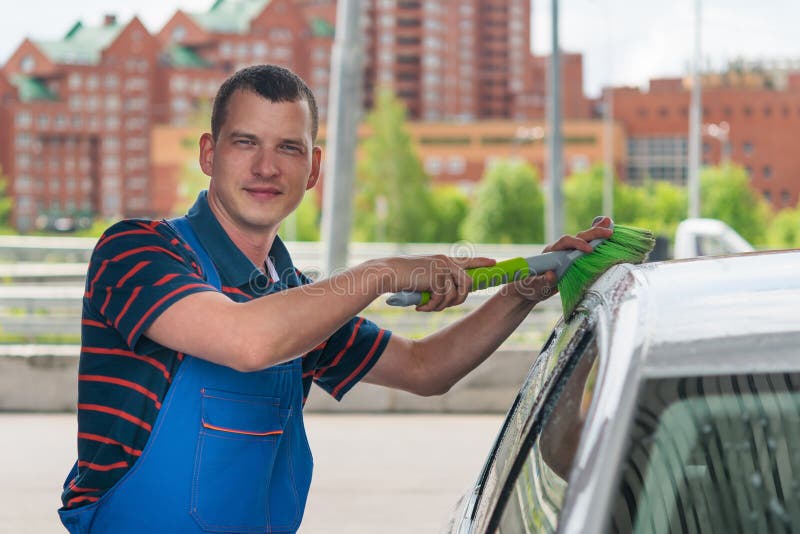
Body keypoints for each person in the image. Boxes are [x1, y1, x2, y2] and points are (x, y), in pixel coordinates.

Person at [58, 64, 612, 533]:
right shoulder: (136, 250)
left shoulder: (296, 298)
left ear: (313, 169)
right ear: (209, 153)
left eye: (289, 148)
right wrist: (381, 274)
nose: (266, 167)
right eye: (245, 141)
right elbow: (247, 339)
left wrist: (522, 291)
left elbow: (425, 368)